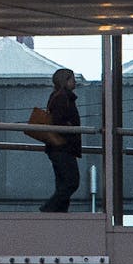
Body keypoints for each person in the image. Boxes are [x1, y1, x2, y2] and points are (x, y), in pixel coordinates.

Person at [39, 67, 82, 212]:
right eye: (72, 79)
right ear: (66, 81)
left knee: (63, 182)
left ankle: (59, 213)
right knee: (71, 182)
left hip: (58, 147)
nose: (74, 82)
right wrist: (70, 127)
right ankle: (50, 209)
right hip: (63, 146)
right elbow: (59, 121)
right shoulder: (63, 98)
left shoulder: (57, 96)